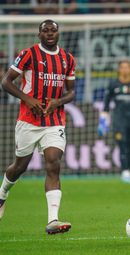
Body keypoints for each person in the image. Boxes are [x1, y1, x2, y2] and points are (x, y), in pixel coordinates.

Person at [0, 20, 76, 235]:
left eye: (53, 30)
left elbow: (71, 92)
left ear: (58, 34)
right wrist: (27, 99)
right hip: (28, 121)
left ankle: (53, 220)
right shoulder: (28, 54)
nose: (50, 34)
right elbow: (6, 81)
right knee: (19, 167)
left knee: (53, 164)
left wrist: (58, 102)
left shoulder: (67, 59)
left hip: (54, 121)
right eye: (45, 31)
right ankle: (2, 195)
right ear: (39, 34)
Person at [98, 60, 130, 184]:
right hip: (118, 121)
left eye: (127, 67)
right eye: (122, 67)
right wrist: (103, 120)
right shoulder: (113, 84)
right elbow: (106, 104)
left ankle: (128, 170)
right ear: (119, 70)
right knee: (122, 145)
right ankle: (125, 172)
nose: (125, 70)